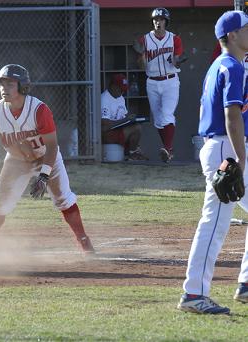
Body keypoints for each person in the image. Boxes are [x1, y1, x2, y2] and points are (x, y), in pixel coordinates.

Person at [0, 64, 94, 254]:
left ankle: (83, 240)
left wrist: (44, 175)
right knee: (0, 202)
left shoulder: (38, 109)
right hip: (16, 161)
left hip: (45, 157)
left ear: (22, 86)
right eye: (2, 83)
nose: (4, 88)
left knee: (63, 199)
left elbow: (52, 146)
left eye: (10, 84)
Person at [177, 10, 248, 315]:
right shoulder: (231, 65)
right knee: (215, 222)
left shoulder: (219, 65)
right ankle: (194, 293)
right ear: (232, 34)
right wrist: (241, 159)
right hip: (225, 149)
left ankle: (246, 284)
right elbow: (232, 115)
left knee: (216, 219)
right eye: (247, 28)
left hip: (223, 146)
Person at [135, 7, 186, 163]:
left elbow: (177, 58)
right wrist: (141, 56)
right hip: (152, 82)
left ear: (166, 22)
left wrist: (177, 60)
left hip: (170, 81)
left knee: (167, 115)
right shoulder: (144, 40)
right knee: (158, 120)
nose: (158, 22)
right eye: (156, 19)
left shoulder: (174, 39)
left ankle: (168, 148)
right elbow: (140, 67)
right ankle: (168, 150)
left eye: (161, 19)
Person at [101, 73, 148, 161]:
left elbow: (124, 115)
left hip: (119, 129)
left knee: (136, 124)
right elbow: (105, 124)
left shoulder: (121, 98)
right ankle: (133, 153)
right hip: (108, 133)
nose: (122, 92)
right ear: (113, 86)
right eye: (120, 89)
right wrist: (125, 120)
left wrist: (131, 119)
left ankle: (133, 152)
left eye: (124, 90)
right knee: (137, 128)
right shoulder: (104, 99)